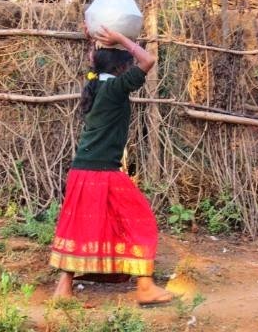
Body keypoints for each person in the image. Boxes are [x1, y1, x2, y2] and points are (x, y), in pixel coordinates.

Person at [50, 27, 173, 306]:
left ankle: (63, 288)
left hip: (82, 171)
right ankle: (145, 288)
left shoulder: (95, 86)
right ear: (121, 67)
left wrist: (92, 38)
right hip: (101, 173)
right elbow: (148, 61)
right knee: (141, 222)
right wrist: (122, 40)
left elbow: (96, 60)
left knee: (81, 226)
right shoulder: (115, 88)